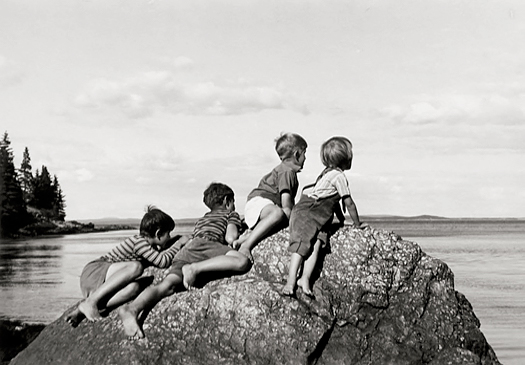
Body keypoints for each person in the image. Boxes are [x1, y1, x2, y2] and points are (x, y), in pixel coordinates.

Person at [118, 182, 250, 340]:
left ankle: (133, 308)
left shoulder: (203, 219)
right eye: (233, 202)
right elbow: (230, 237)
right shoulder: (231, 214)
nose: (234, 205)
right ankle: (195, 269)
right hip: (208, 245)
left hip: (187, 249)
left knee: (166, 286)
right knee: (241, 261)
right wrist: (242, 237)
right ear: (227, 201)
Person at [66, 206, 181, 326]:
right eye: (168, 234)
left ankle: (83, 310)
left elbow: (160, 255)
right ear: (158, 234)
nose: (169, 237)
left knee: (134, 289)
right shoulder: (140, 242)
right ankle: (91, 301)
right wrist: (178, 244)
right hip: (96, 271)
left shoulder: (148, 247)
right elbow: (162, 262)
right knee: (136, 267)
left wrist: (173, 243)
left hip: (103, 279)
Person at [282, 136, 366, 297]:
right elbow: (349, 203)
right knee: (301, 245)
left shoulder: (328, 173)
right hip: (308, 211)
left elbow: (334, 202)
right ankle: (291, 281)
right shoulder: (338, 176)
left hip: (319, 216)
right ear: (346, 159)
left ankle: (304, 278)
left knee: (317, 245)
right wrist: (357, 224)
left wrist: (341, 221)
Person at [234, 132, 307, 262]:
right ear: (296, 155)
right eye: (304, 153)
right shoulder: (286, 171)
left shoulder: (287, 171)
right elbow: (286, 203)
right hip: (259, 202)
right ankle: (246, 246)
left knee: (282, 217)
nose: (305, 158)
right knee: (280, 214)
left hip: (260, 204)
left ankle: (246, 238)